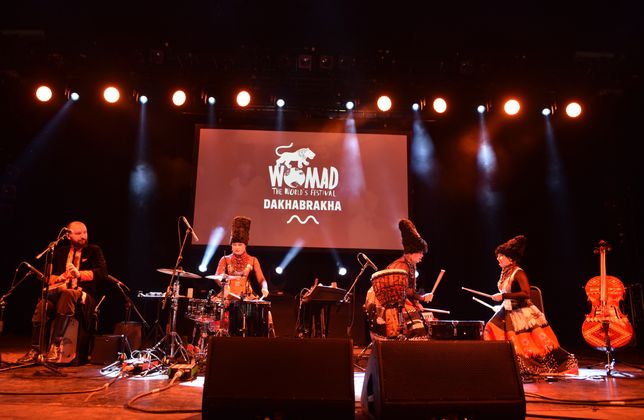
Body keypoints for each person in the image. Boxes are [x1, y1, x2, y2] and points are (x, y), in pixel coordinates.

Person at [483, 235, 578, 376]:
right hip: (508, 309)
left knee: (533, 345)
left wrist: (503, 296)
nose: (498, 258)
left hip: (521, 312)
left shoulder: (518, 272)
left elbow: (526, 293)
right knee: (490, 328)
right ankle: (499, 362)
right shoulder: (505, 272)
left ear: (510, 257)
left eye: (501, 255)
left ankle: (524, 365)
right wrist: (502, 302)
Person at [19, 221, 108, 363]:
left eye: (85, 232)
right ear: (67, 236)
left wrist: (79, 274)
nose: (83, 236)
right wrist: (59, 277)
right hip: (60, 294)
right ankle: (35, 349)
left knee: (68, 294)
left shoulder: (94, 250)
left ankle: (55, 346)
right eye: (78, 233)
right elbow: (48, 277)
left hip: (84, 295)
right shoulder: (59, 252)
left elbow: (102, 273)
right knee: (43, 305)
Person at [365, 219, 433, 339]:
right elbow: (402, 291)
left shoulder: (409, 264)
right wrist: (422, 298)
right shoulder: (402, 265)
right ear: (412, 252)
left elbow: (407, 291)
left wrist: (417, 302)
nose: (422, 255)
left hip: (398, 301)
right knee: (417, 326)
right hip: (388, 303)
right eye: (420, 252)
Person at [213, 216, 272, 337]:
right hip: (227, 296)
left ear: (245, 245)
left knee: (266, 313)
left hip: (246, 296)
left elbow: (261, 279)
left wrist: (264, 288)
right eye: (234, 245)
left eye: (240, 244)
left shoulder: (253, 260)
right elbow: (217, 276)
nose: (237, 248)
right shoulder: (225, 259)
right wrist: (224, 285)